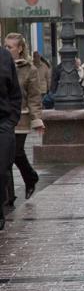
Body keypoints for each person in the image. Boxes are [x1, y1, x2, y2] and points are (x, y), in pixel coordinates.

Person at [4, 32, 44, 204]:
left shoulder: (30, 69)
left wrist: (37, 120)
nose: (6, 49)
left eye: (10, 47)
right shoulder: (3, 64)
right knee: (5, 156)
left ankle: (30, 177)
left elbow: (34, 97)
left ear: (20, 49)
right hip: (4, 117)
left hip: (21, 117)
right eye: (4, 46)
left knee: (15, 153)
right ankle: (8, 196)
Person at [0, 25, 22, 230]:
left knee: (2, 168)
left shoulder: (4, 58)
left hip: (3, 122)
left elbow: (15, 92)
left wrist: (11, 119)